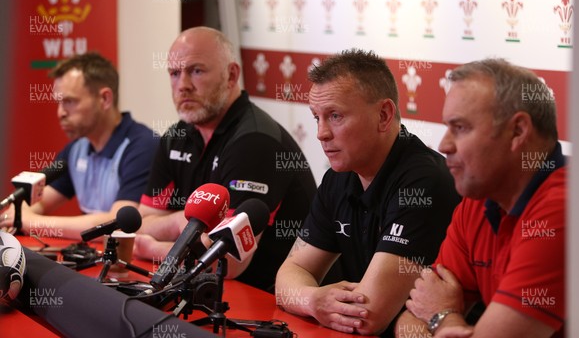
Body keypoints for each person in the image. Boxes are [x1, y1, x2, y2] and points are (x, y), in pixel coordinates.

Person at [275, 49, 461, 336]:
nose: (321, 133)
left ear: (384, 115)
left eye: (335, 116)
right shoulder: (338, 178)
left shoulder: (424, 181)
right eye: (317, 118)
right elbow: (288, 275)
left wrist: (308, 297)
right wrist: (312, 300)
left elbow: (366, 316)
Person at [134, 26, 315, 293]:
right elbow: (142, 221)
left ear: (231, 75)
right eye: (174, 73)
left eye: (196, 71)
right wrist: (180, 223)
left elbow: (228, 262)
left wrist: (155, 247)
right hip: (206, 287)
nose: (182, 85)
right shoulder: (176, 136)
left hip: (267, 298)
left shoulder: (255, 141)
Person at [395, 59, 566, 338]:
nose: (443, 145)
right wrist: (444, 321)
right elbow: (410, 320)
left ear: (518, 132)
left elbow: (431, 312)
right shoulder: (479, 200)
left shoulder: (563, 210)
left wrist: (443, 317)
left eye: (460, 127)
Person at [0, 52, 158, 240]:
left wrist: (30, 222)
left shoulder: (144, 146)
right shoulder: (77, 149)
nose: (60, 113)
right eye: (59, 102)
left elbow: (116, 224)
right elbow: (37, 201)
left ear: (105, 99)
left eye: (70, 102)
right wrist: (20, 213)